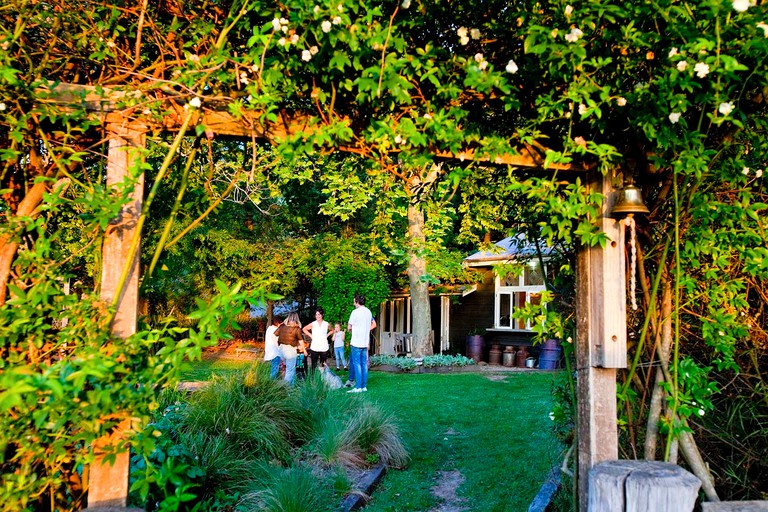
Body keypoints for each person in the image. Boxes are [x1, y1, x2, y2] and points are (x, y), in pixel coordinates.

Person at [347, 293, 376, 393]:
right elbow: (373, 324)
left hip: (356, 342)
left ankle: (358, 387)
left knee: (357, 364)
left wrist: (352, 330)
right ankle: (364, 386)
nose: (353, 303)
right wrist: (365, 330)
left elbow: (349, 327)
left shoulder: (355, 312)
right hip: (365, 342)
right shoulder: (368, 312)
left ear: (357, 301)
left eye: (354, 301)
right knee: (364, 364)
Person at [275, 312, 305, 385]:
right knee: (290, 370)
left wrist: (278, 346)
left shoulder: (282, 326)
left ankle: (291, 390)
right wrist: (304, 350)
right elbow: (301, 341)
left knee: (290, 370)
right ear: (296, 318)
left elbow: (274, 336)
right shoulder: (297, 329)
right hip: (290, 352)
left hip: (281, 351)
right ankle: (285, 388)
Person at [302, 307, 330, 375]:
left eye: (319, 314)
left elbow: (332, 330)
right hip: (315, 346)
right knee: (313, 365)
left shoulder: (326, 324)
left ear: (322, 315)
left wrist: (327, 335)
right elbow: (304, 329)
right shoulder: (313, 324)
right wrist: (311, 336)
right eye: (316, 314)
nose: (317, 316)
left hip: (324, 347)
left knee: (323, 364)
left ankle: (323, 379)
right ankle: (312, 380)